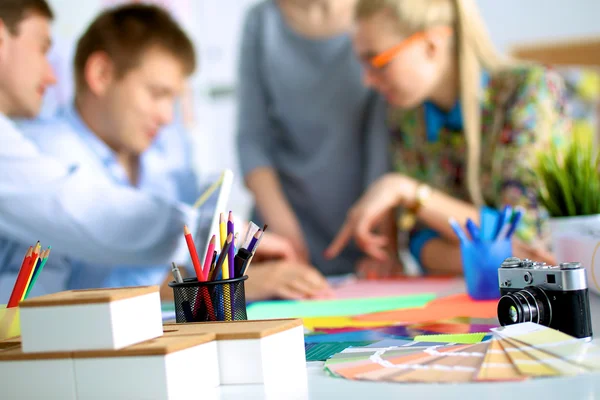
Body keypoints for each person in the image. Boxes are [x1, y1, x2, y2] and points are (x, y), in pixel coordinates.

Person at [0, 0, 313, 300]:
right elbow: (89, 259)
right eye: (156, 93)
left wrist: (220, 264)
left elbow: (170, 262)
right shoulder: (47, 151)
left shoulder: (160, 157)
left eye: (173, 99)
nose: (166, 116)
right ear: (101, 75)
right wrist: (217, 257)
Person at [325, 0, 569, 275]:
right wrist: (490, 251)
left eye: (377, 62)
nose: (367, 80)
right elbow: (419, 243)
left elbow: (526, 242)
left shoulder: (530, 91)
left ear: (432, 45)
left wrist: (408, 191)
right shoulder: (405, 115)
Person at [236, 0, 390, 277]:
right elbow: (252, 137)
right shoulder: (261, 21)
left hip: (360, 233)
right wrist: (285, 233)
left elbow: (381, 142)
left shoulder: (374, 13)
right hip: (279, 238)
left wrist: (381, 238)